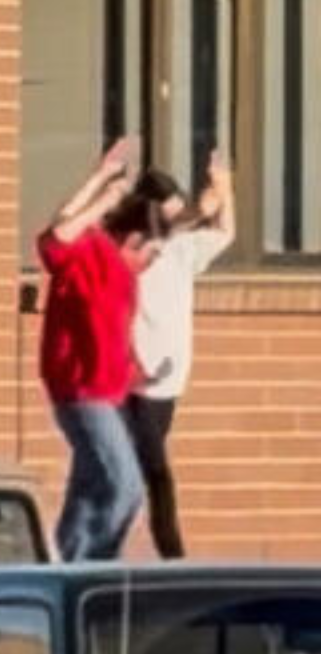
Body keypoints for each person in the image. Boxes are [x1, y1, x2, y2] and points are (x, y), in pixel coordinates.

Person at [38, 137, 165, 562]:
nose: (150, 264)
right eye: (151, 253)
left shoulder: (123, 276)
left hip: (107, 393)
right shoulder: (91, 253)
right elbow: (57, 235)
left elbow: (114, 336)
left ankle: (66, 564)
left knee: (91, 487)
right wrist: (102, 188)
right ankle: (96, 564)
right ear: (133, 240)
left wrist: (138, 374)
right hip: (82, 390)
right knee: (125, 487)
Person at [124, 151, 235, 559]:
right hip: (135, 379)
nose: (177, 220)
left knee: (134, 473)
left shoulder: (183, 250)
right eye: (169, 213)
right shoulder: (132, 247)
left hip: (169, 382)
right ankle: (173, 556)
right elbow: (158, 235)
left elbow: (225, 233)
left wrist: (226, 190)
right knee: (156, 472)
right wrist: (198, 211)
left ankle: (99, 545)